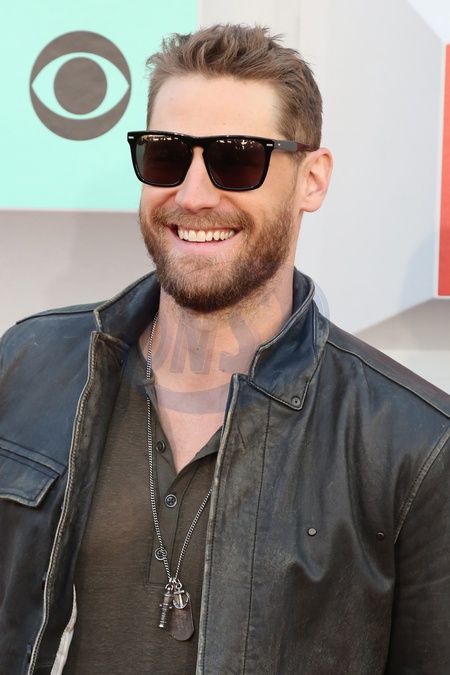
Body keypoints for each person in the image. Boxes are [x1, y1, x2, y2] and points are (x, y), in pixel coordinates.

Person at [1, 23, 450, 675]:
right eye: (165, 155)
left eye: (237, 159)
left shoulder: (414, 445)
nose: (193, 194)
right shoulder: (29, 364)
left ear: (312, 178)